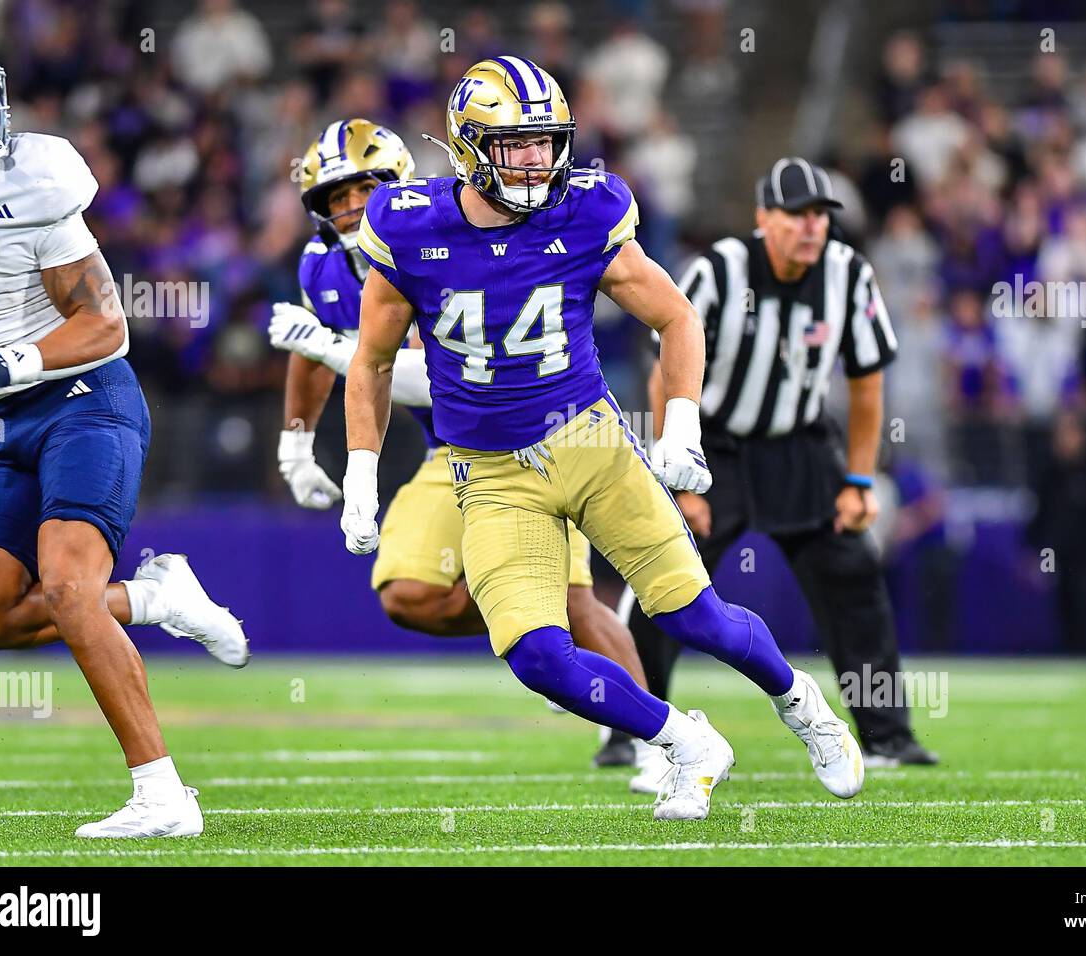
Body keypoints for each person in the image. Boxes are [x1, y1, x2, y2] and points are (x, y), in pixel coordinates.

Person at [340, 56, 863, 820]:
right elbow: (373, 361)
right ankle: (685, 742)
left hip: (589, 445)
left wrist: (681, 425)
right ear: (468, 148)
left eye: (546, 143)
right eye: (515, 145)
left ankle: (804, 706)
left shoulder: (585, 211)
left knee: (693, 614)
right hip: (489, 471)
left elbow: (677, 315)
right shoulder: (408, 223)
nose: (536, 161)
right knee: (537, 657)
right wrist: (361, 472)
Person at [268, 118, 651, 774]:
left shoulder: (437, 243)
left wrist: (331, 348)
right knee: (407, 592)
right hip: (450, 453)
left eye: (365, 187)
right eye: (336, 197)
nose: (353, 206)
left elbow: (428, 376)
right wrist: (294, 444)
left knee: (575, 600)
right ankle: (539, 634)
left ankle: (650, 738)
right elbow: (310, 353)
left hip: (530, 434)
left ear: (400, 187)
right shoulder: (321, 264)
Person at [0, 22, 248, 838]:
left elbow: (105, 325)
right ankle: (155, 596)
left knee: (71, 587)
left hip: (84, 395)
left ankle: (163, 796)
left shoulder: (33, 177)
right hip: (8, 418)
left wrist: (0, 363)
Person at [623, 157, 938, 768]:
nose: (811, 226)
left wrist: (860, 480)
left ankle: (887, 735)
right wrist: (677, 471)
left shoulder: (848, 273)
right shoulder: (720, 269)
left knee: (853, 572)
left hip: (800, 444)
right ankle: (636, 728)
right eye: (796, 214)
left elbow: (867, 381)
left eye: (820, 215)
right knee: (666, 576)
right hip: (718, 443)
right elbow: (664, 368)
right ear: (765, 217)